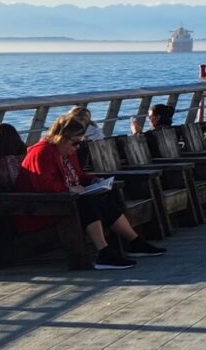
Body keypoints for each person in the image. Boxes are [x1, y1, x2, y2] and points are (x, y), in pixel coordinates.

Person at [19, 112, 166, 270]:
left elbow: (78, 176)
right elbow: (44, 186)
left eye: (80, 143)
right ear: (61, 137)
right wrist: (70, 189)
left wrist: (93, 181)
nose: (77, 147)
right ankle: (104, 253)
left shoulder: (67, 152)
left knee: (103, 197)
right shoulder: (42, 153)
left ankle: (134, 242)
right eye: (75, 143)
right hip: (43, 210)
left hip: (68, 202)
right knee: (88, 202)